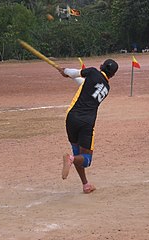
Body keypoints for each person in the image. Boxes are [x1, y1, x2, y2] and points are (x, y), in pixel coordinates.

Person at [58, 59, 119, 194]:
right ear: (112, 75)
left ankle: (86, 184)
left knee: (77, 152)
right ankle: (71, 160)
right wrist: (68, 74)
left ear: (101, 66)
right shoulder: (107, 89)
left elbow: (77, 75)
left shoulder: (92, 72)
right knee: (85, 159)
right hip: (86, 123)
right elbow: (83, 83)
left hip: (71, 118)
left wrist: (65, 72)